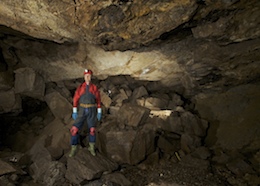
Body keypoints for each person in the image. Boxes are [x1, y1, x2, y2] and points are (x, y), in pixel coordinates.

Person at [69, 69, 102, 157]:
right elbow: (75, 99)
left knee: (92, 130)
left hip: (91, 110)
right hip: (82, 109)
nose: (88, 77)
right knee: (74, 130)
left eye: (89, 76)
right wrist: (75, 110)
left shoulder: (94, 88)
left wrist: (99, 111)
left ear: (91, 77)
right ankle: (73, 148)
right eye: (86, 76)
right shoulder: (80, 88)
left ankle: (91, 148)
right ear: (84, 77)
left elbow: (98, 100)